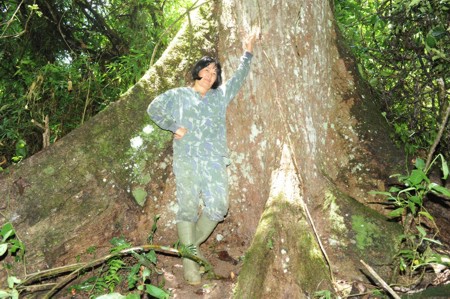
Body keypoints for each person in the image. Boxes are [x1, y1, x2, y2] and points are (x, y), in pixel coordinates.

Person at [147, 33, 257, 285]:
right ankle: (190, 265)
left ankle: (189, 248)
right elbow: (153, 107)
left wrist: (248, 54)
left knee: (219, 206)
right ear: (197, 72)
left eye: (214, 72)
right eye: (206, 70)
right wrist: (173, 125)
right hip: (186, 159)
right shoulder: (178, 95)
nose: (210, 75)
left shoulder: (219, 97)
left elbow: (238, 79)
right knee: (187, 208)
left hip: (214, 160)